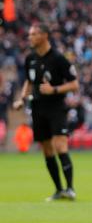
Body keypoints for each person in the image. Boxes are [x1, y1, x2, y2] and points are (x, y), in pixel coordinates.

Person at [12, 23, 79, 201]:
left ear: (44, 35)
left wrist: (54, 90)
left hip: (56, 108)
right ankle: (58, 190)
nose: (30, 38)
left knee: (60, 146)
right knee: (47, 150)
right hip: (37, 108)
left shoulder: (58, 58)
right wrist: (22, 98)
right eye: (29, 35)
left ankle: (70, 188)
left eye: (33, 34)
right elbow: (29, 81)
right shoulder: (30, 58)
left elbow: (74, 84)